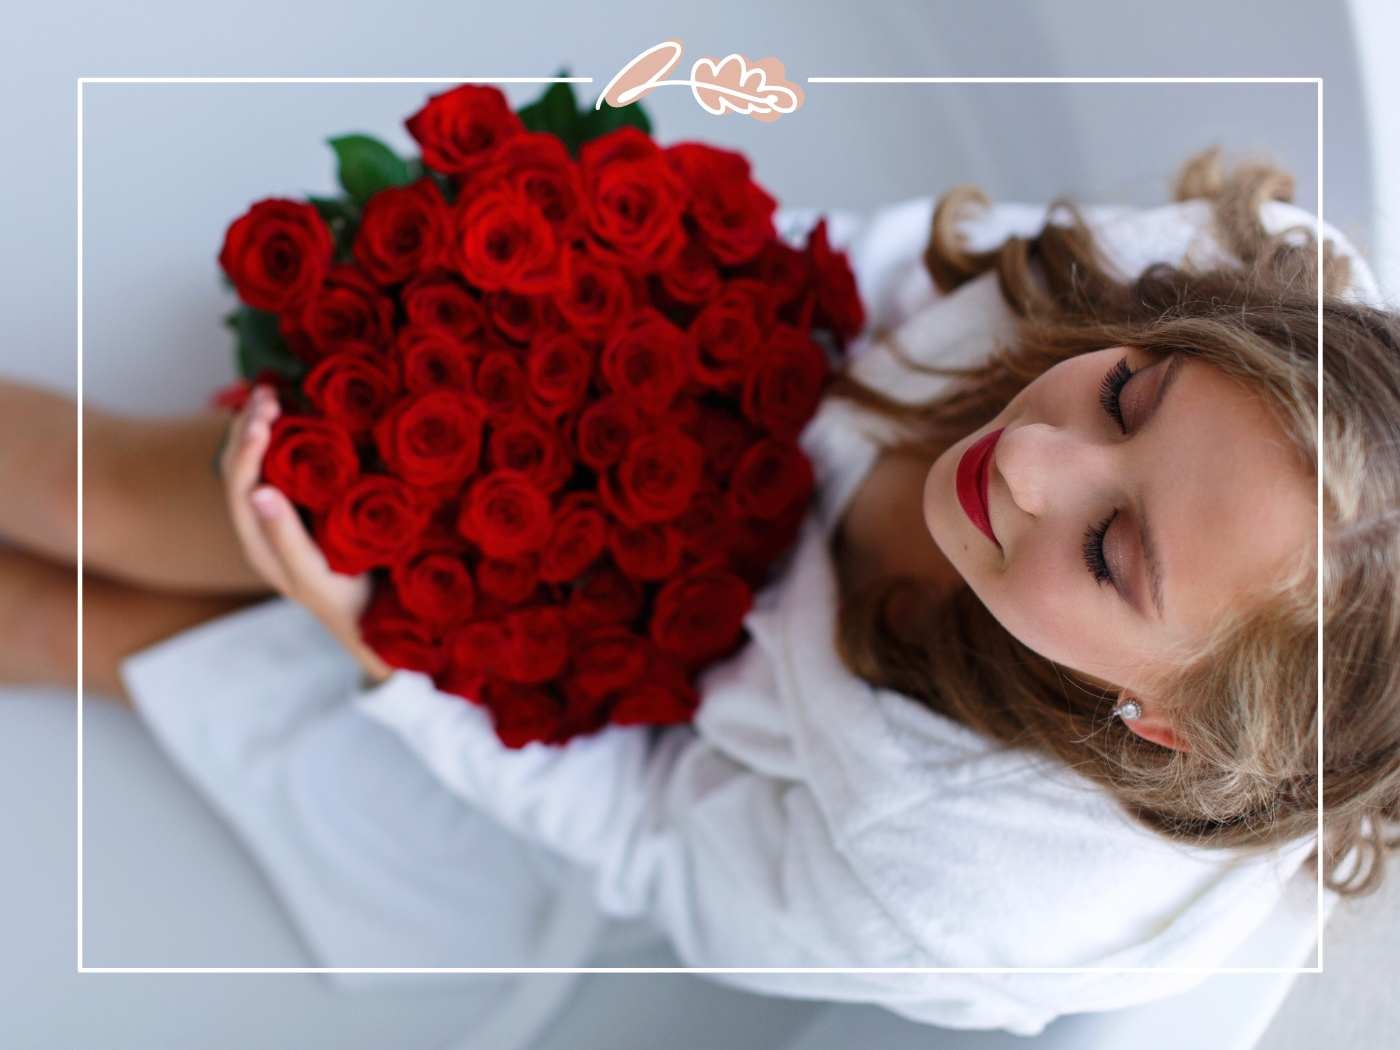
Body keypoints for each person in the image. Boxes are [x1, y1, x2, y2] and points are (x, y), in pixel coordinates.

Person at [2, 146, 1396, 1034]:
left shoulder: (970, 883)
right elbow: (886, 267)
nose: (1032, 458)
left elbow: (655, 838)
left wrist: (386, 646)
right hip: (694, 454)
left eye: (1108, 550)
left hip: (629, 745)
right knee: (99, 498)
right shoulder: (1248, 300)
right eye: (1129, 390)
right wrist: (602, 297)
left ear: (1160, 723)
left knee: (111, 631)